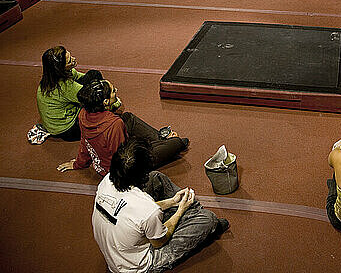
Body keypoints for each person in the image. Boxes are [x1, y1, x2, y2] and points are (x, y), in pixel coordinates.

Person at [93, 140, 229, 273]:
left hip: (120, 246)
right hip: (136, 266)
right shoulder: (147, 210)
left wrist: (172, 201)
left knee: (156, 178)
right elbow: (159, 241)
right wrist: (180, 210)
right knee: (208, 219)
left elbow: (129, 212)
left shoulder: (107, 181)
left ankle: (189, 214)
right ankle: (197, 220)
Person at [57, 79, 188, 176]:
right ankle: (168, 141)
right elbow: (123, 157)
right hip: (123, 167)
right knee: (178, 143)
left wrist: (79, 163)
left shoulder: (83, 114)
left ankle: (162, 140)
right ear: (106, 102)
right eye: (113, 91)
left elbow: (85, 142)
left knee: (127, 118)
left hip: (109, 159)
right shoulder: (114, 124)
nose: (116, 91)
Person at [36, 46, 104, 141]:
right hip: (66, 130)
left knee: (94, 74)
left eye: (70, 56)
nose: (74, 59)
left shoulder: (52, 77)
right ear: (61, 68)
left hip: (56, 123)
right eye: (69, 61)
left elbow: (84, 77)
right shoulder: (64, 86)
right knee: (98, 107)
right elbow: (91, 97)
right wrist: (114, 102)